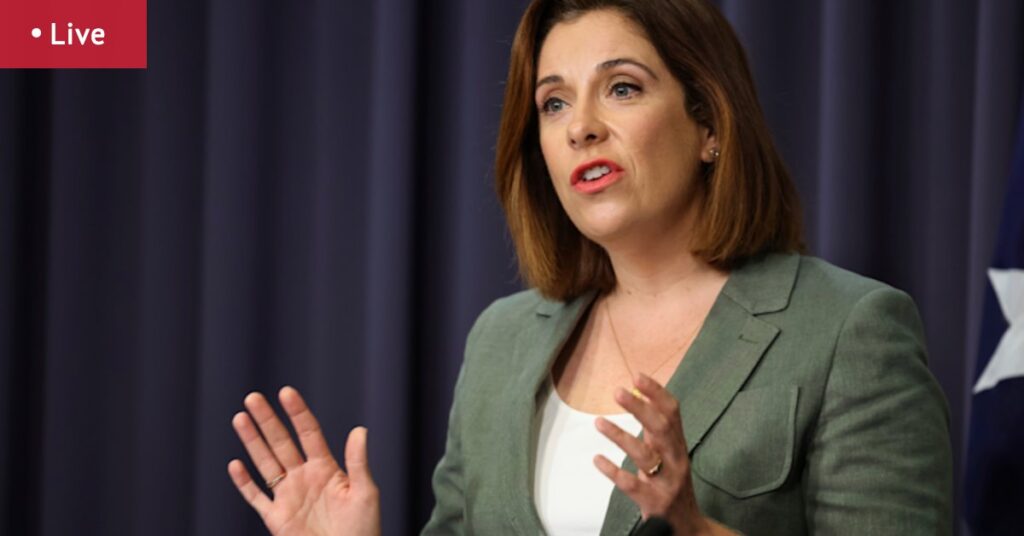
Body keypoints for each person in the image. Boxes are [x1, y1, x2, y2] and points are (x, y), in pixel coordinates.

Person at [227, 0, 954, 534]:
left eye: (622, 88)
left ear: (708, 123)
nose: (581, 127)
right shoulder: (501, 340)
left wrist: (697, 531)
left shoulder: (848, 329)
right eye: (552, 103)